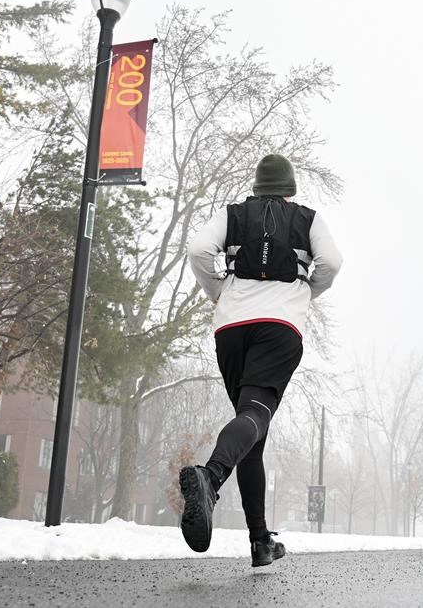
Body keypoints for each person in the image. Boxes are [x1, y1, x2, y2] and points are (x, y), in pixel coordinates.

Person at [182, 153, 342, 566]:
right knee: (256, 414)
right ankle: (211, 476)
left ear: (256, 186)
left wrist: (217, 290)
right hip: (279, 326)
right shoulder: (307, 218)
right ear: (290, 188)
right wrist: (306, 293)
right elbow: (332, 262)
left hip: (230, 328)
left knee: (251, 428)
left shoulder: (233, 214)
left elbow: (199, 249)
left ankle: (260, 541)